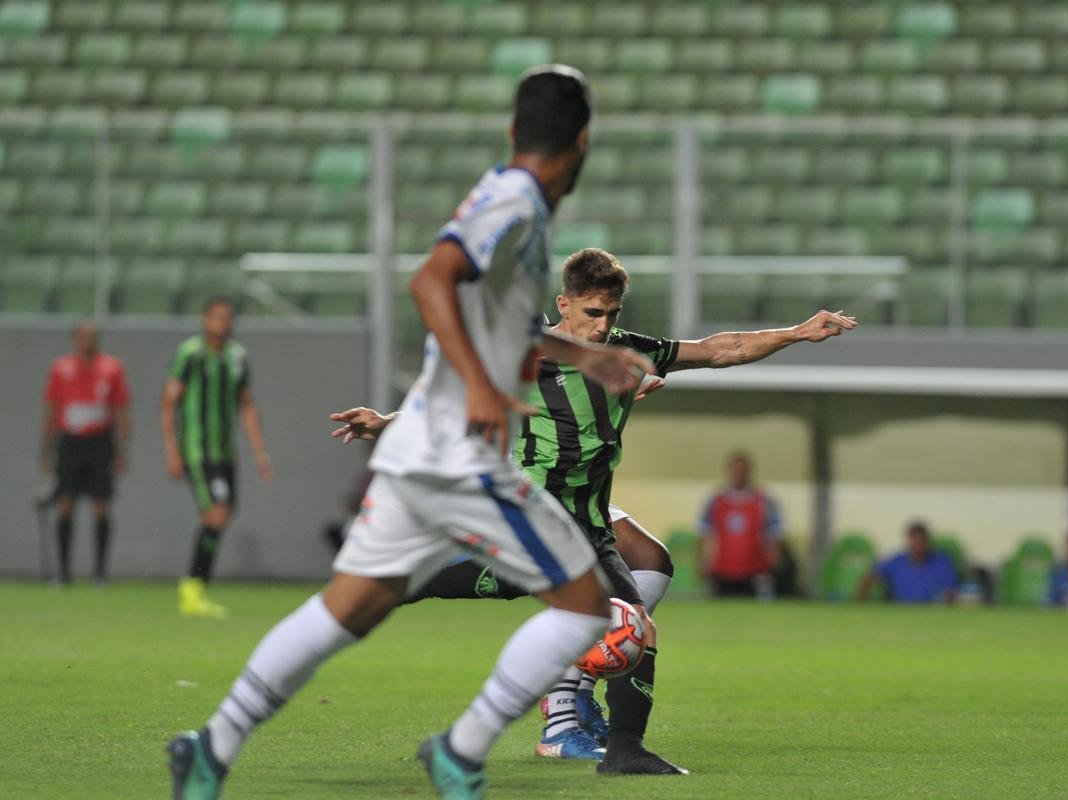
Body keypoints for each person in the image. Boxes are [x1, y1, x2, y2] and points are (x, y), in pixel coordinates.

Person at [167, 65, 658, 800]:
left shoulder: (513, 205)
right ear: (583, 142)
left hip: (417, 451)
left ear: (510, 131)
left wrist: (587, 355)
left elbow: (504, 330)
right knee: (589, 605)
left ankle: (212, 744)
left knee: (349, 608)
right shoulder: (515, 202)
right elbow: (430, 281)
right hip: (458, 454)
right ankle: (462, 748)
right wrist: (487, 386)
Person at [329, 247, 857, 774]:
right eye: (592, 314)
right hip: (536, 511)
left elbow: (718, 349)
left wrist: (795, 332)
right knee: (631, 622)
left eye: (612, 314)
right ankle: (613, 742)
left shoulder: (628, 350)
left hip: (590, 520)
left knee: (603, 604)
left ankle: (399, 586)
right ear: (564, 303)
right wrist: (384, 422)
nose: (604, 327)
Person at [160, 297, 273, 619]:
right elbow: (169, 403)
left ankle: (195, 587)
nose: (223, 323)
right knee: (218, 512)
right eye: (217, 317)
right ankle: (193, 587)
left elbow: (246, 405)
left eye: (228, 318)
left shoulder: (238, 357)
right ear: (205, 319)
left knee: (223, 513)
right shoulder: (190, 354)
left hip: (226, 451)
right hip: (199, 450)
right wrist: (172, 450)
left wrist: (260, 452)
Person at [40, 320, 130, 586]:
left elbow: (122, 410)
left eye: (92, 336)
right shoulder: (60, 368)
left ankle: (100, 574)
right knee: (65, 503)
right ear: (75, 339)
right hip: (70, 442)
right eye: (83, 336)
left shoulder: (112, 369)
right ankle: (64, 573)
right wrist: (46, 449)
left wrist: (122, 448)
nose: (87, 341)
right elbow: (52, 410)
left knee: (100, 506)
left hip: (100, 441)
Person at [698, 451, 784, 599]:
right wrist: (703, 562)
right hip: (722, 570)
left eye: (742, 470)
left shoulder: (763, 500)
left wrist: (772, 564)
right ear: (730, 471)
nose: (739, 474)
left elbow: (775, 534)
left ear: (749, 471)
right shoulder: (717, 501)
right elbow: (706, 535)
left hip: (755, 570)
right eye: (735, 470)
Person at [856, 521, 957, 604]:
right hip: (899, 610)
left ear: (928, 541)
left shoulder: (941, 562)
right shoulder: (896, 561)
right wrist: (861, 603)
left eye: (922, 540)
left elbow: (950, 592)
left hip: (931, 611)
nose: (918, 544)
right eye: (915, 540)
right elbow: (869, 577)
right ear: (909, 541)